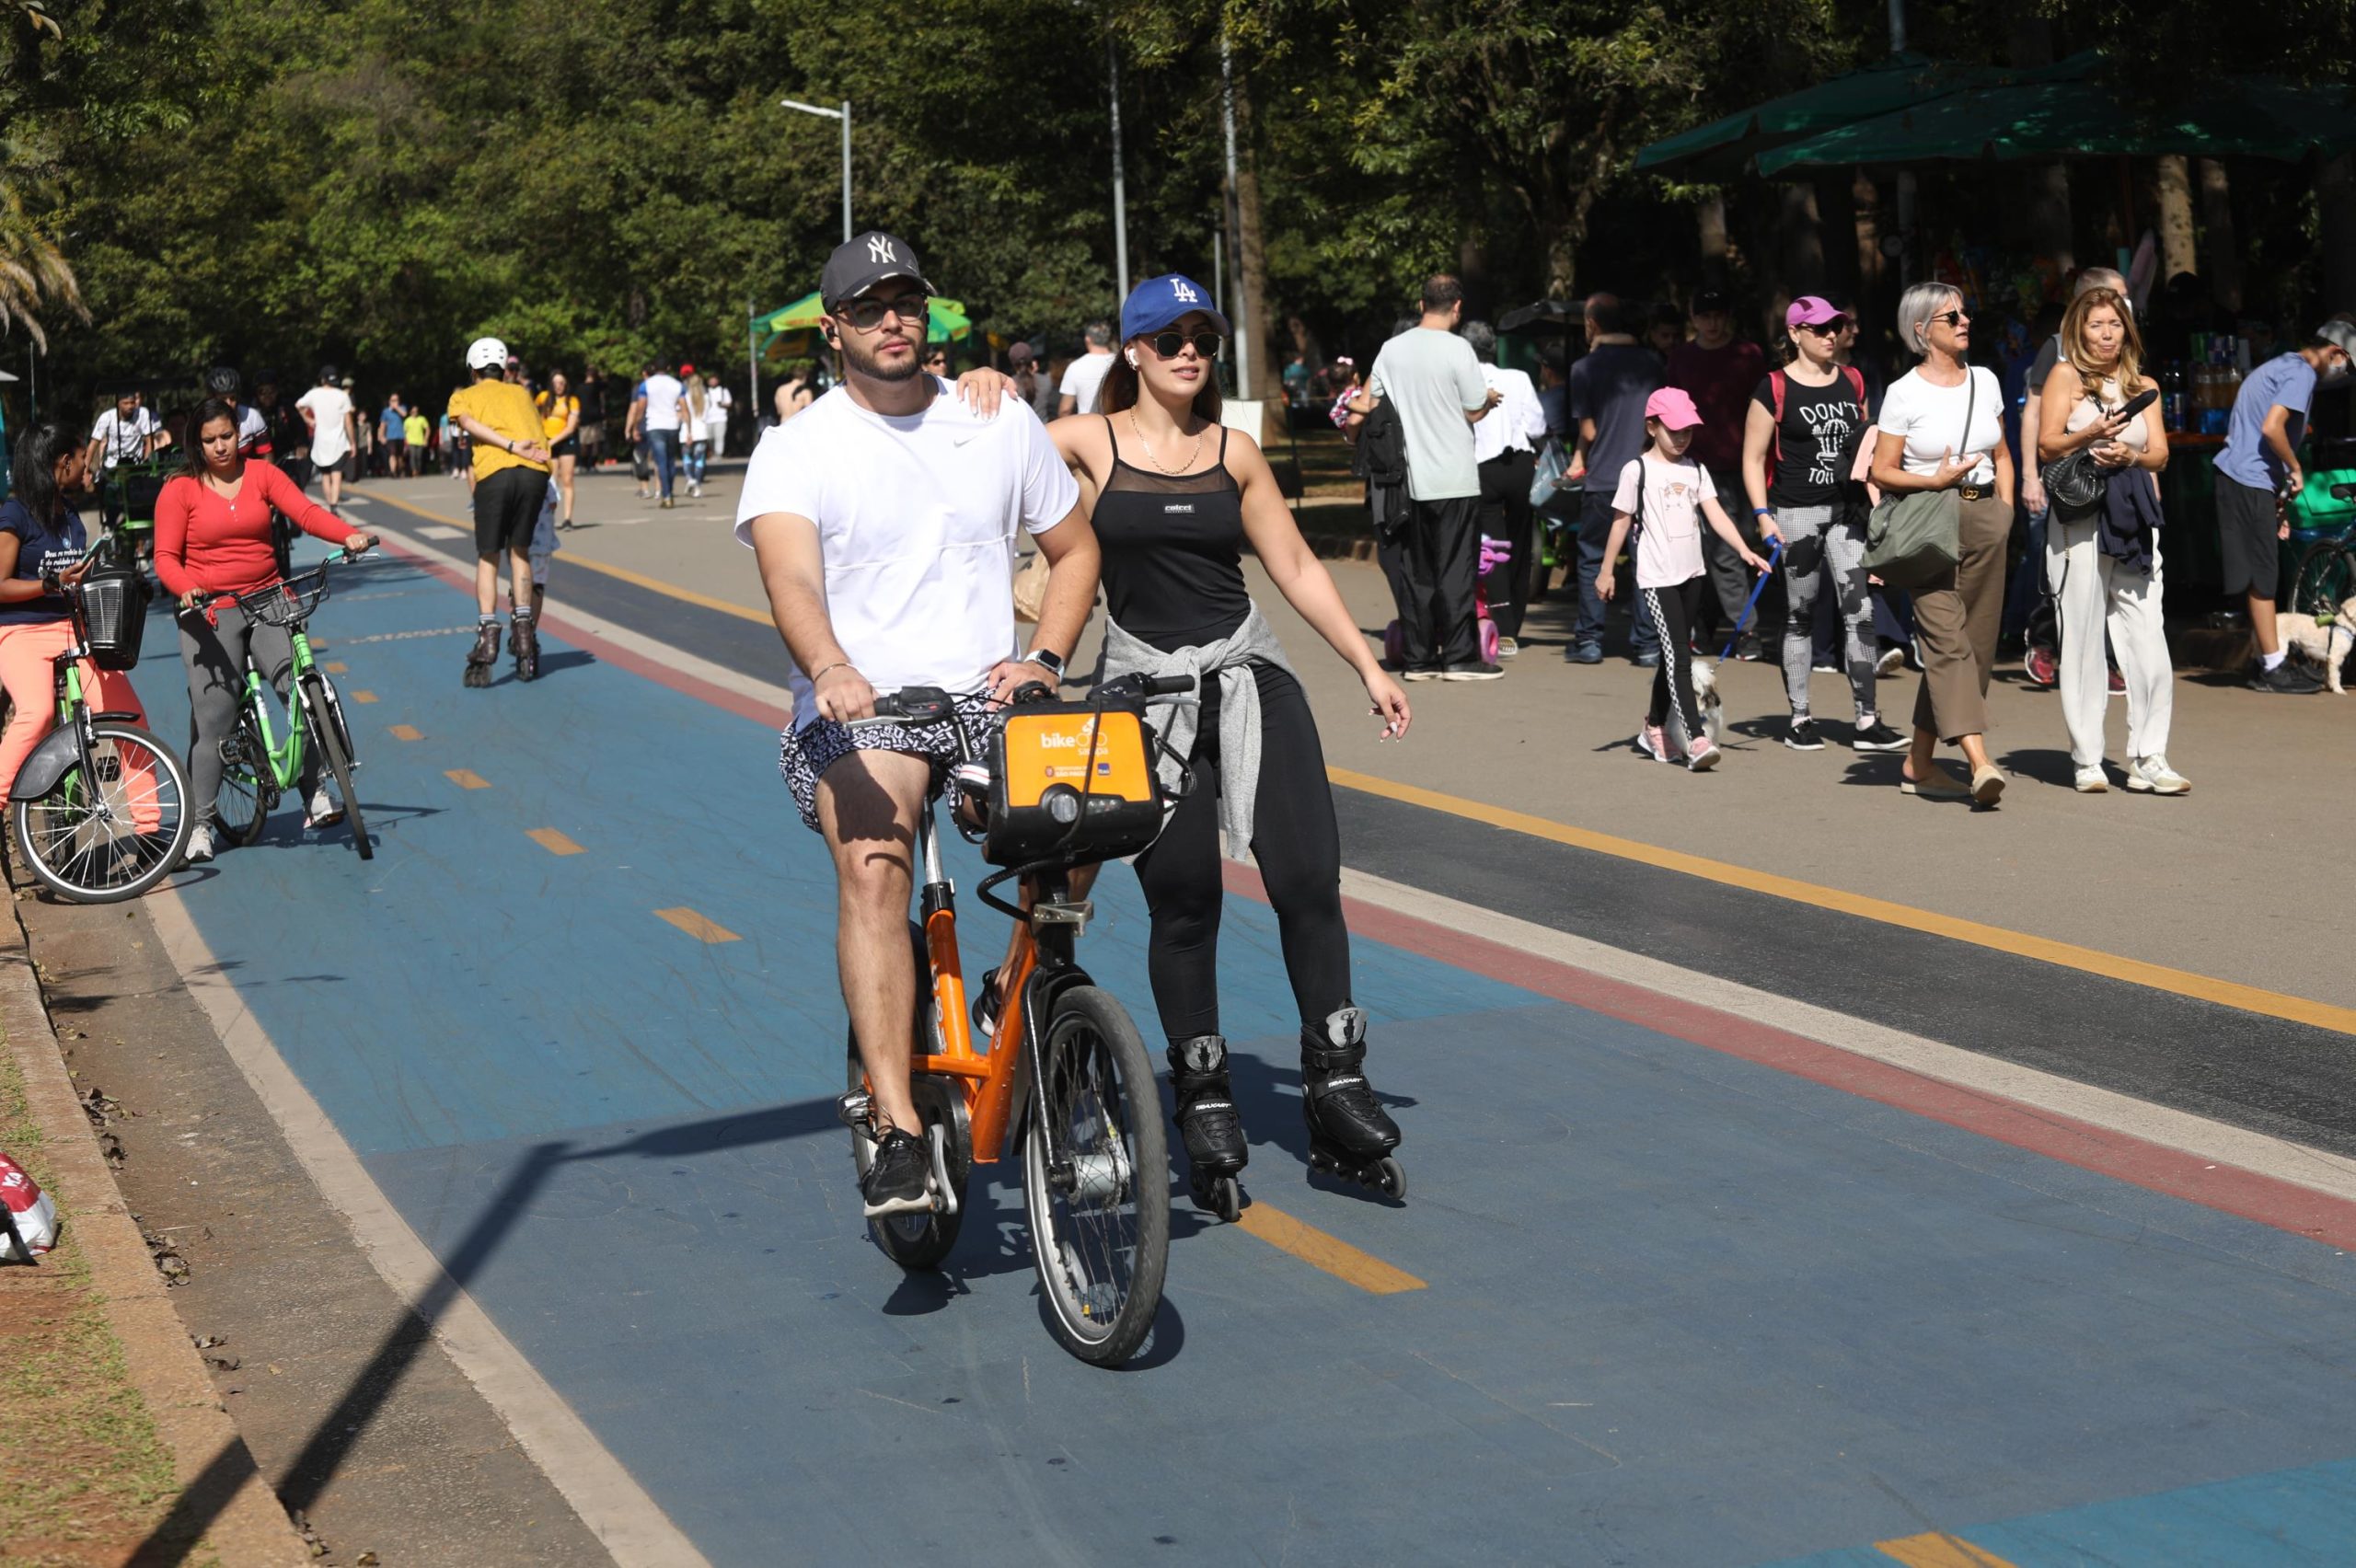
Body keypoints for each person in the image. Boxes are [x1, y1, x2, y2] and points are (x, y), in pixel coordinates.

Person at [1025, 271, 1413, 1210]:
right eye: (1169, 337)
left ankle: (1336, 1080)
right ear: (1134, 351)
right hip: (1139, 697)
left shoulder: (1234, 452)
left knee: (1308, 880)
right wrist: (987, 393)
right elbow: (981, 473)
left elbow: (1292, 563)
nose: (1190, 349)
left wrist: (1368, 664)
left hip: (1248, 679)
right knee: (1185, 897)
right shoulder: (1081, 441)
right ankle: (1202, 1093)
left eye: (1202, 334)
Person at [738, 230, 1100, 1216]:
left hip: (987, 696)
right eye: (867, 307)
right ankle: (896, 1128)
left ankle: (1004, 993)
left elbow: (1072, 551)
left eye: (907, 303)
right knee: (875, 865)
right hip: (863, 704)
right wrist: (831, 667)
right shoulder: (797, 448)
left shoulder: (997, 420)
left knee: (1100, 800)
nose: (891, 320)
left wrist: (1046, 659)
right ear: (833, 328)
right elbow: (790, 576)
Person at [154, 398, 375, 863]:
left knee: (301, 692)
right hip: (210, 610)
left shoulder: (263, 475)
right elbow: (165, 559)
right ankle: (200, 825)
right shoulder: (180, 490)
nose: (220, 447)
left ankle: (316, 793)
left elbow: (307, 514)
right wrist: (187, 588)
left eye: (227, 437)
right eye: (209, 440)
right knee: (214, 721)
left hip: (269, 597)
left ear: (240, 433)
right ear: (196, 442)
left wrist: (347, 535)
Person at [1870, 283, 2015, 806]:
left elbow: (2001, 453)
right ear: (1921, 330)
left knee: (1975, 649)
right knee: (1946, 645)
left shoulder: (1987, 380)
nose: (1963, 321)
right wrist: (1934, 481)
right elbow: (1881, 470)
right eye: (1949, 316)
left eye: (1964, 312)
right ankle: (1980, 763)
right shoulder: (1904, 392)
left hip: (1984, 519)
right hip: (1928, 525)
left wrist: (2006, 512)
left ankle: (1920, 763)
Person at [2036, 286, 2182, 794]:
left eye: (2114, 325)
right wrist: (2089, 433)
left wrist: (2131, 457)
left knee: (2149, 639)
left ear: (2127, 330)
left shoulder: (2146, 385)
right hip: (2080, 517)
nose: (2105, 335)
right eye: (2096, 325)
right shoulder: (2064, 377)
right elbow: (2047, 443)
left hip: (2134, 515)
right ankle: (2087, 759)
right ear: (2079, 330)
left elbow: (2160, 453)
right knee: (2079, 638)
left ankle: (2150, 756)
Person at [1740, 296, 1903, 753]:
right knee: (1800, 614)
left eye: (1835, 327)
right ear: (1795, 334)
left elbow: (1865, 447)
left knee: (1861, 612)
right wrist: (1762, 516)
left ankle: (1867, 721)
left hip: (1848, 513)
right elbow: (1752, 460)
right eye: (1819, 329)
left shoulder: (1851, 379)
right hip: (1796, 513)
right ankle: (1799, 718)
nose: (1831, 335)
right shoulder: (1772, 387)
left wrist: (1877, 503)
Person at [1596, 387, 1770, 772]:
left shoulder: (1696, 469)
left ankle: (1654, 726)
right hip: (1656, 577)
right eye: (1673, 429)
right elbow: (1621, 521)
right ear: (1651, 426)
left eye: (1688, 429)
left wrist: (1744, 549)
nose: (1681, 437)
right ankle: (1696, 737)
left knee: (1673, 655)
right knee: (1680, 655)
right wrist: (1607, 570)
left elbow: (1716, 515)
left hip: (1693, 573)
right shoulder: (1636, 470)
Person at [0, 421, 160, 823]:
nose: (89, 471)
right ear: (63, 461)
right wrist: (49, 582)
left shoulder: (69, 512)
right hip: (20, 632)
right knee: (36, 713)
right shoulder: (13, 514)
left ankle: (148, 826)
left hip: (74, 629)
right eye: (85, 463)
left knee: (132, 717)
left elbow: (80, 571)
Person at [1364, 274, 1504, 681]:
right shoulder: (1459, 349)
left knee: (1417, 571)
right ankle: (1460, 657)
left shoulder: (1391, 350)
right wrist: (1490, 401)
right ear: (1458, 306)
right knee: (1456, 569)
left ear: (1422, 303)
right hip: (1455, 477)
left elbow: (1372, 400)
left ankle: (1419, 658)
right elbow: (1475, 408)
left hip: (1408, 479)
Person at [2213, 318, 2356, 693]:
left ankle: (2265, 658)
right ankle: (2274, 668)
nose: (2344, 375)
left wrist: (2277, 501)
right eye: (2348, 366)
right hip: (2247, 479)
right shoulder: (2302, 374)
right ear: (2337, 353)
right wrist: (2295, 468)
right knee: (2263, 574)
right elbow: (2272, 428)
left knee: (2256, 572)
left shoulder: (2282, 364)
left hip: (2243, 478)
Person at [2018, 270, 2125, 686]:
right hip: (2066, 475)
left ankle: (2106, 659)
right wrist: (2031, 475)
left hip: (2112, 472)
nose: (2121, 312)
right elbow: (2034, 412)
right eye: (2116, 299)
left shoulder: (2124, 347)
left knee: (2109, 569)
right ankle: (2044, 642)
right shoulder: (2058, 348)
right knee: (2060, 570)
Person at [1666, 289, 1771, 657]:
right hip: (1691, 466)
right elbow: (1670, 410)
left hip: (1740, 465)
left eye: (1718, 315)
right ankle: (1735, 630)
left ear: (1728, 317)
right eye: (1704, 315)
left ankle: (1731, 628)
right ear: (1693, 318)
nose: (1711, 323)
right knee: (1707, 551)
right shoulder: (1681, 358)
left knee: (1727, 548)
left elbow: (1765, 406)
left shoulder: (1748, 355)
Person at [447, 337, 554, 686]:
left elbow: (466, 422)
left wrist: (507, 445)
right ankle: (524, 632)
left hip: (495, 471)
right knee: (519, 550)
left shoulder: (465, 394)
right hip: (534, 475)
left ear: (473, 368)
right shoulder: (521, 393)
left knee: (488, 556)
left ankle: (487, 635)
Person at [1567, 292, 1665, 664]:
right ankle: (1647, 645)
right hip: (1645, 476)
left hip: (1603, 478)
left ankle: (1589, 641)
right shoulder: (1653, 363)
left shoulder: (1584, 368)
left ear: (1592, 324)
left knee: (1593, 557)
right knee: (1645, 562)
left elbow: (1589, 432)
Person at [1461, 319, 1547, 657]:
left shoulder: (1460, 383)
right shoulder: (1519, 378)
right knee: (1521, 542)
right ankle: (1518, 621)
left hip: (1482, 469)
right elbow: (1537, 425)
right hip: (1520, 466)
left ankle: (1504, 628)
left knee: (1492, 546)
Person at [295, 367, 357, 511]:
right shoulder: (342, 396)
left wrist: (308, 419)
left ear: (322, 379)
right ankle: (334, 506)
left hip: (321, 442)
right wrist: (352, 442)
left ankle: (329, 503)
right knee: (336, 474)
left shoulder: (314, 394)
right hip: (339, 441)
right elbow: (348, 422)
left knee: (325, 474)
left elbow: (298, 405)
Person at [631, 358, 686, 508]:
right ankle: (669, 491)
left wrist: (635, 426)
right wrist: (690, 429)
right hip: (672, 425)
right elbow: (684, 407)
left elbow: (641, 407)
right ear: (668, 367)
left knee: (660, 461)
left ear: (654, 368)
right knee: (670, 461)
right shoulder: (677, 384)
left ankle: (666, 495)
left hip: (654, 426)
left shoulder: (646, 385)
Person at [86, 389, 162, 485]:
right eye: (126, 403)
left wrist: (146, 463)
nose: (130, 406)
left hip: (135, 466)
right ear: (118, 403)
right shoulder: (106, 417)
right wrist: (85, 471)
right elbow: (93, 444)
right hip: (112, 466)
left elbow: (149, 440)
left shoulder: (143, 413)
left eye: (132, 402)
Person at [537, 372, 581, 528]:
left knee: (567, 479)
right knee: (551, 481)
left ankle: (568, 518)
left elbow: (570, 428)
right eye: (556, 383)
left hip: (565, 442)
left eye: (562, 383)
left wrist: (552, 442)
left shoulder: (572, 401)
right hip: (547, 440)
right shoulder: (543, 397)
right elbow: (534, 416)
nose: (559, 386)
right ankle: (549, 517)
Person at [1057, 319, 1116, 416]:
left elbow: (1065, 409)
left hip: (1087, 426)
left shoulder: (1075, 367)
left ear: (1087, 339)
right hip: (1118, 425)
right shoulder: (1120, 363)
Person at [1009, 341, 1058, 425]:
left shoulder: (1009, 386)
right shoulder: (1047, 381)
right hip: (1045, 430)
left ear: (1012, 363)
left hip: (1021, 433)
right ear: (1032, 360)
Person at [680, 363, 710, 498]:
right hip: (702, 431)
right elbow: (707, 415)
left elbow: (682, 413)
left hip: (686, 430)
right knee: (699, 460)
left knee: (687, 457)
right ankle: (697, 485)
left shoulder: (684, 396)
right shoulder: (706, 397)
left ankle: (690, 479)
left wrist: (688, 432)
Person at [575, 368, 607, 470]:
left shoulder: (579, 388)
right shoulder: (597, 386)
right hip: (596, 416)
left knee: (584, 442)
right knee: (595, 442)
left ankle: (583, 464)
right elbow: (606, 384)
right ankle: (592, 463)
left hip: (583, 416)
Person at [700, 371, 733, 462]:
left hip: (721, 418)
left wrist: (722, 404)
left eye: (714, 380)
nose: (713, 382)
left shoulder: (723, 390)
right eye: (711, 380)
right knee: (710, 438)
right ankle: (713, 452)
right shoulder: (705, 392)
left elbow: (729, 403)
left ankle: (719, 454)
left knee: (719, 436)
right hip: (708, 419)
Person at [379, 393, 409, 478]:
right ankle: (393, 472)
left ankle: (400, 470)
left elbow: (404, 414)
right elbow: (382, 425)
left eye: (396, 400)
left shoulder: (402, 408)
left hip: (400, 436)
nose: (395, 402)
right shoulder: (385, 411)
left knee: (399, 456)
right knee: (392, 454)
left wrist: (397, 408)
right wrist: (382, 436)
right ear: (389, 401)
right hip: (390, 437)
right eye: (393, 400)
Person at [403, 404, 432, 477]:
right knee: (412, 456)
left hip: (420, 441)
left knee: (419, 457)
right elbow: (404, 432)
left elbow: (428, 429)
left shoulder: (422, 419)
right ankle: (414, 471)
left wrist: (426, 439)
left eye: (416, 411)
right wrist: (405, 441)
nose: (415, 412)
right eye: (413, 411)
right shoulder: (407, 421)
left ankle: (418, 470)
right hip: (410, 442)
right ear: (410, 412)